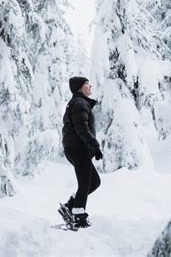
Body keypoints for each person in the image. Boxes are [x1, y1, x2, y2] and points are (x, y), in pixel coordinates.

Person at [59, 76, 103, 228]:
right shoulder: (79, 103)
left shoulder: (78, 103)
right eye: (86, 84)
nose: (90, 86)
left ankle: (70, 206)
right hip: (78, 148)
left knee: (94, 182)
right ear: (79, 87)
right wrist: (95, 147)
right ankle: (78, 216)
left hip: (76, 148)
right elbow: (81, 129)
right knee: (85, 184)